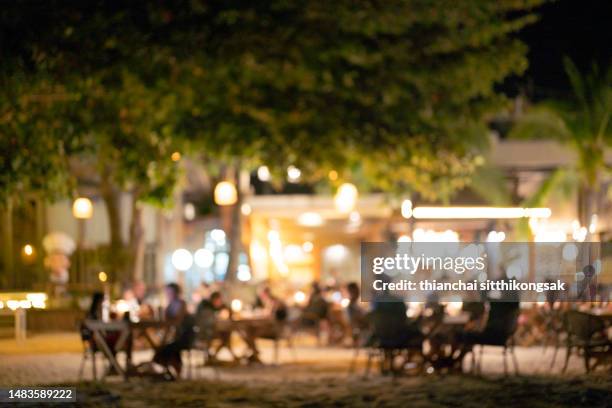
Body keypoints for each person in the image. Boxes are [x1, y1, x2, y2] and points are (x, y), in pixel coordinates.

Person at [153, 283, 195, 378]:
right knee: (166, 348)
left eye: (170, 292)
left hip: (185, 336)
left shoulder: (181, 303)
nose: (168, 295)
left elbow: (177, 321)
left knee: (166, 349)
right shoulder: (170, 304)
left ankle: (170, 370)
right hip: (176, 336)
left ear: (176, 293)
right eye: (167, 292)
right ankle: (171, 370)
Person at [195, 291, 235, 361]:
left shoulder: (219, 306)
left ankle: (213, 356)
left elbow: (228, 310)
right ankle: (212, 356)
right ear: (213, 300)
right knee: (225, 335)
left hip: (215, 330)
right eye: (218, 300)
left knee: (227, 334)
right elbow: (205, 321)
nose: (219, 302)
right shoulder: (205, 306)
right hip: (205, 331)